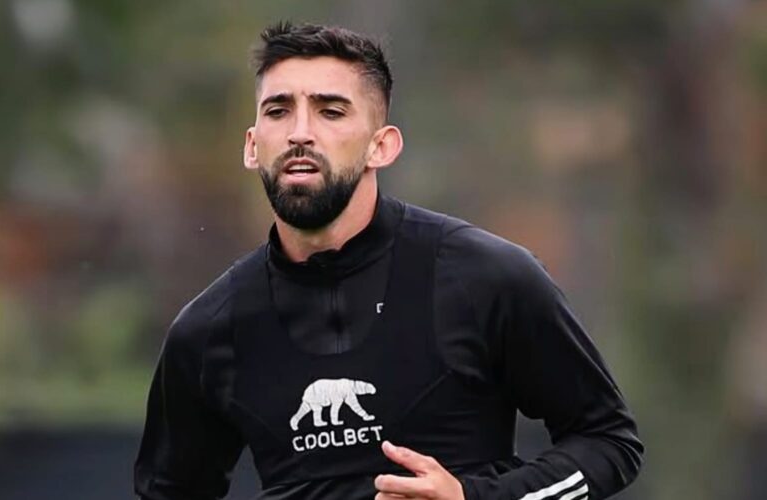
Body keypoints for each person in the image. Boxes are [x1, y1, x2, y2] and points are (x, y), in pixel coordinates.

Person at [134, 22, 644, 500]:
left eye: (331, 111)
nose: (299, 133)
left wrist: (475, 497)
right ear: (252, 146)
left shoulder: (487, 277)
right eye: (278, 110)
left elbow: (608, 442)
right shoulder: (207, 330)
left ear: (382, 145)